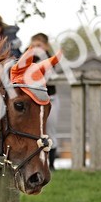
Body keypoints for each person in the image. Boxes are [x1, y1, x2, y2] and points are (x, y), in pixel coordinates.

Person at [26, 33, 59, 168]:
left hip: (49, 98)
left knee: (50, 130)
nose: (36, 48)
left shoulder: (51, 59)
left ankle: (51, 164)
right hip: (32, 100)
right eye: (33, 46)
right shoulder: (25, 59)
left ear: (45, 46)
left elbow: (47, 74)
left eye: (39, 45)